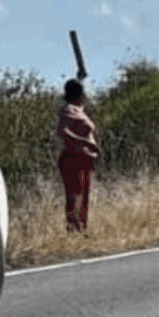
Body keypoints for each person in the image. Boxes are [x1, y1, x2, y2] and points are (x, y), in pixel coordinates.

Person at [56, 79, 100, 233]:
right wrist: (86, 143)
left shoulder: (80, 109)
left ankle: (82, 228)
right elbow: (62, 132)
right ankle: (73, 228)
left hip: (85, 159)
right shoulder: (68, 110)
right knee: (74, 195)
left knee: (84, 195)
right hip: (73, 157)